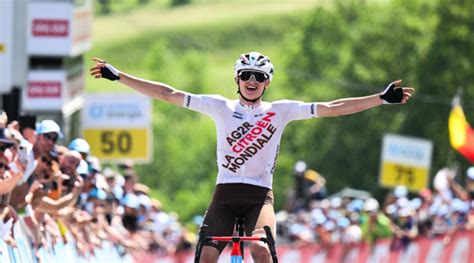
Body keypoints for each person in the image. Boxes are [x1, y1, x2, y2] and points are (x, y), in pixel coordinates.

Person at [90, 51, 414, 262]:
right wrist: (121, 77)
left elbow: (331, 108)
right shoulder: (220, 107)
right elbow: (168, 94)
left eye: (259, 77)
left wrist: (380, 99)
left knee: (260, 249)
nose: (251, 81)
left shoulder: (281, 111)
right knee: (203, 256)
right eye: (246, 75)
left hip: (260, 198)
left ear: (267, 82)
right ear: (237, 79)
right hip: (225, 194)